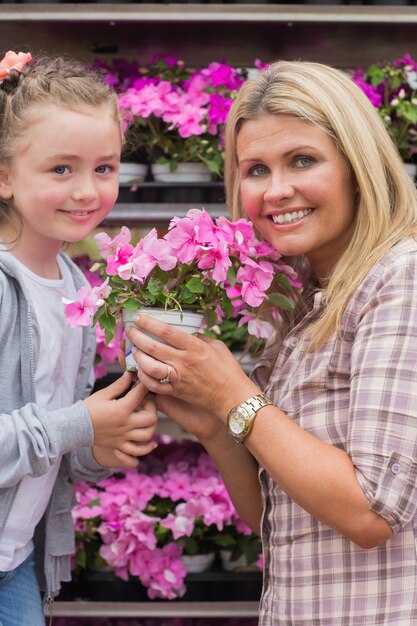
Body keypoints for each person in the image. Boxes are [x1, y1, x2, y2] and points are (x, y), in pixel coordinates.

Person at [126, 60, 417, 625]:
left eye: (302, 161)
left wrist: (234, 393)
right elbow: (276, 515)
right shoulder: (306, 300)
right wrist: (212, 418)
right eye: (255, 169)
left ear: (358, 166)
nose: (277, 190)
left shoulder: (399, 278)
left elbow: (372, 511)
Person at [0, 51, 158, 625]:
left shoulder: (74, 286)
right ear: (4, 176)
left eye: (106, 167)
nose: (88, 191)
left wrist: (102, 445)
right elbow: (61, 424)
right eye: (61, 170)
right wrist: (83, 424)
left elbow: (54, 445)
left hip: (17, 561)